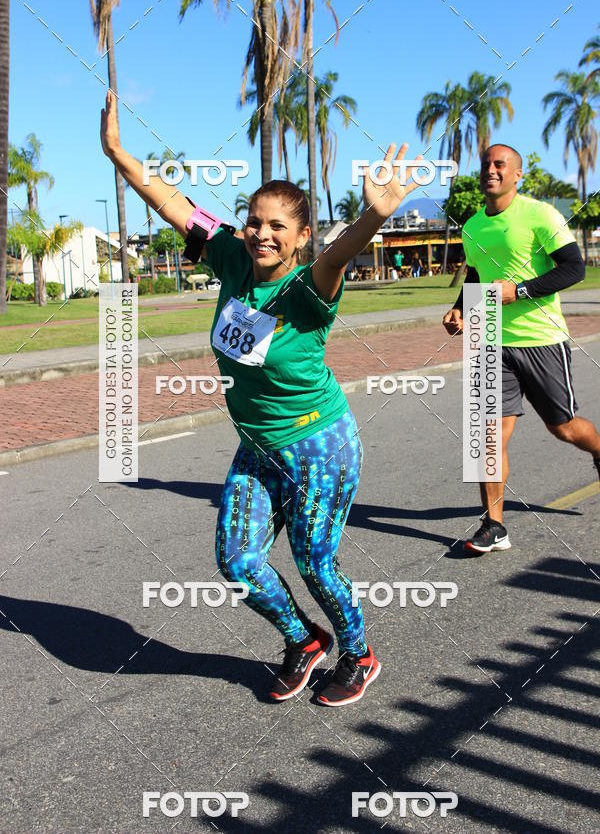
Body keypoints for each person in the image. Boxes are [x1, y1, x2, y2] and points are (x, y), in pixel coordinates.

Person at [100, 90, 422, 705]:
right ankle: (304, 641)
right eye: (255, 221)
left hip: (318, 444)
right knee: (237, 560)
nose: (262, 234)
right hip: (258, 447)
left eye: (278, 227)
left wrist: (374, 216)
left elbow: (338, 255)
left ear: (301, 237)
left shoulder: (309, 287)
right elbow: (174, 204)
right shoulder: (231, 258)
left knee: (315, 561)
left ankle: (359, 654)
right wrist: (119, 153)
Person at [443, 143, 600, 554]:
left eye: (500, 164)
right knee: (488, 434)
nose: (491, 170)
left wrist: (522, 290)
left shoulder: (540, 214)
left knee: (564, 427)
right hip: (489, 336)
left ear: (517, 175)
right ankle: (494, 525)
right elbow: (476, 276)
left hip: (540, 337)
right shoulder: (472, 225)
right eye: (486, 164)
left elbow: (575, 268)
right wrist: (461, 309)